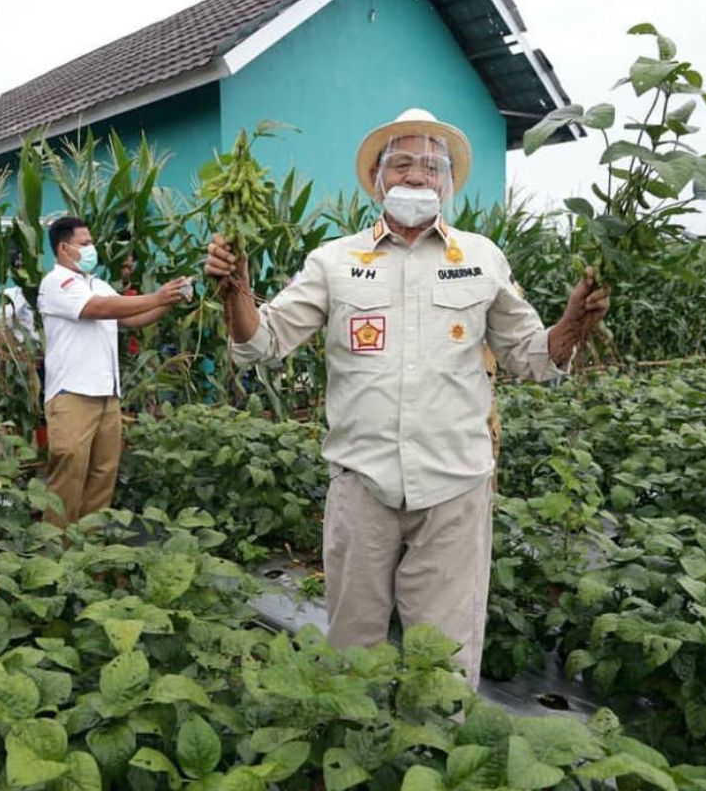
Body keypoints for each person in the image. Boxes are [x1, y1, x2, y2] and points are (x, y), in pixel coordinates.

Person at [204, 109, 610, 688]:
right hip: (361, 483)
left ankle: (436, 761)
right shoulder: (334, 262)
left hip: (455, 485)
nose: (417, 176)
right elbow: (262, 341)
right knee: (351, 650)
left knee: (443, 658)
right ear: (376, 178)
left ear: (447, 183)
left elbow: (532, 356)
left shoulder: (481, 257)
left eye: (431, 166)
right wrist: (235, 291)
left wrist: (574, 320)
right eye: (401, 163)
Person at [37, 216, 189, 524]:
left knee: (102, 477)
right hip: (72, 394)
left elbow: (131, 318)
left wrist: (170, 300)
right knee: (68, 479)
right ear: (64, 248)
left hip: (107, 394)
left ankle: (92, 555)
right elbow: (99, 309)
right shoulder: (56, 283)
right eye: (85, 243)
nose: (92, 248)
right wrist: (157, 295)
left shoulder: (97, 284)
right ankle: (56, 555)